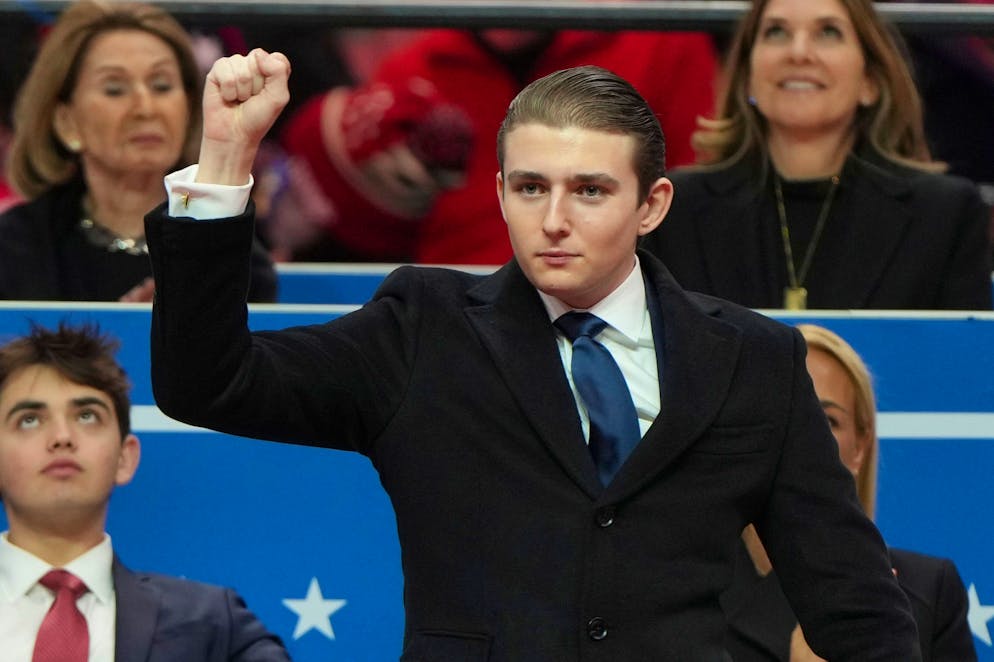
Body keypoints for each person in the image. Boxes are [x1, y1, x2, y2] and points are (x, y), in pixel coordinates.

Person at [146, 51, 922, 659]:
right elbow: (208, 382)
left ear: (651, 205)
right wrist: (223, 163)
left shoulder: (753, 360)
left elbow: (855, 607)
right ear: (499, 191)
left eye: (589, 190)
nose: (552, 219)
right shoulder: (423, 328)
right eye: (529, 187)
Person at [640, 0, 993, 310]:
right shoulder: (675, 209)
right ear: (747, 76)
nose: (799, 52)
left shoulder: (946, 216)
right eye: (776, 32)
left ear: (870, 80)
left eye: (828, 32)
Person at [274, 26, 718, 263]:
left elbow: (699, 200)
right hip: (462, 317)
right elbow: (366, 236)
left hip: (617, 305)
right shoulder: (414, 68)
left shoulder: (659, 40)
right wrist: (345, 158)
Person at [0, 322, 290, 661]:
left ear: (125, 457)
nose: (62, 436)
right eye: (30, 419)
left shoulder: (212, 625)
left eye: (88, 416)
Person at [723, 323, 976, 661]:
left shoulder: (930, 592)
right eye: (784, 416)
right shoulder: (689, 585)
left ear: (861, 445)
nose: (803, 438)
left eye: (827, 421)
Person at [0, 0, 276, 302]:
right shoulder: (17, 246)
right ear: (66, 122)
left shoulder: (227, 240)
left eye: (161, 85)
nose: (146, 109)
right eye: (115, 89)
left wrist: (184, 329)